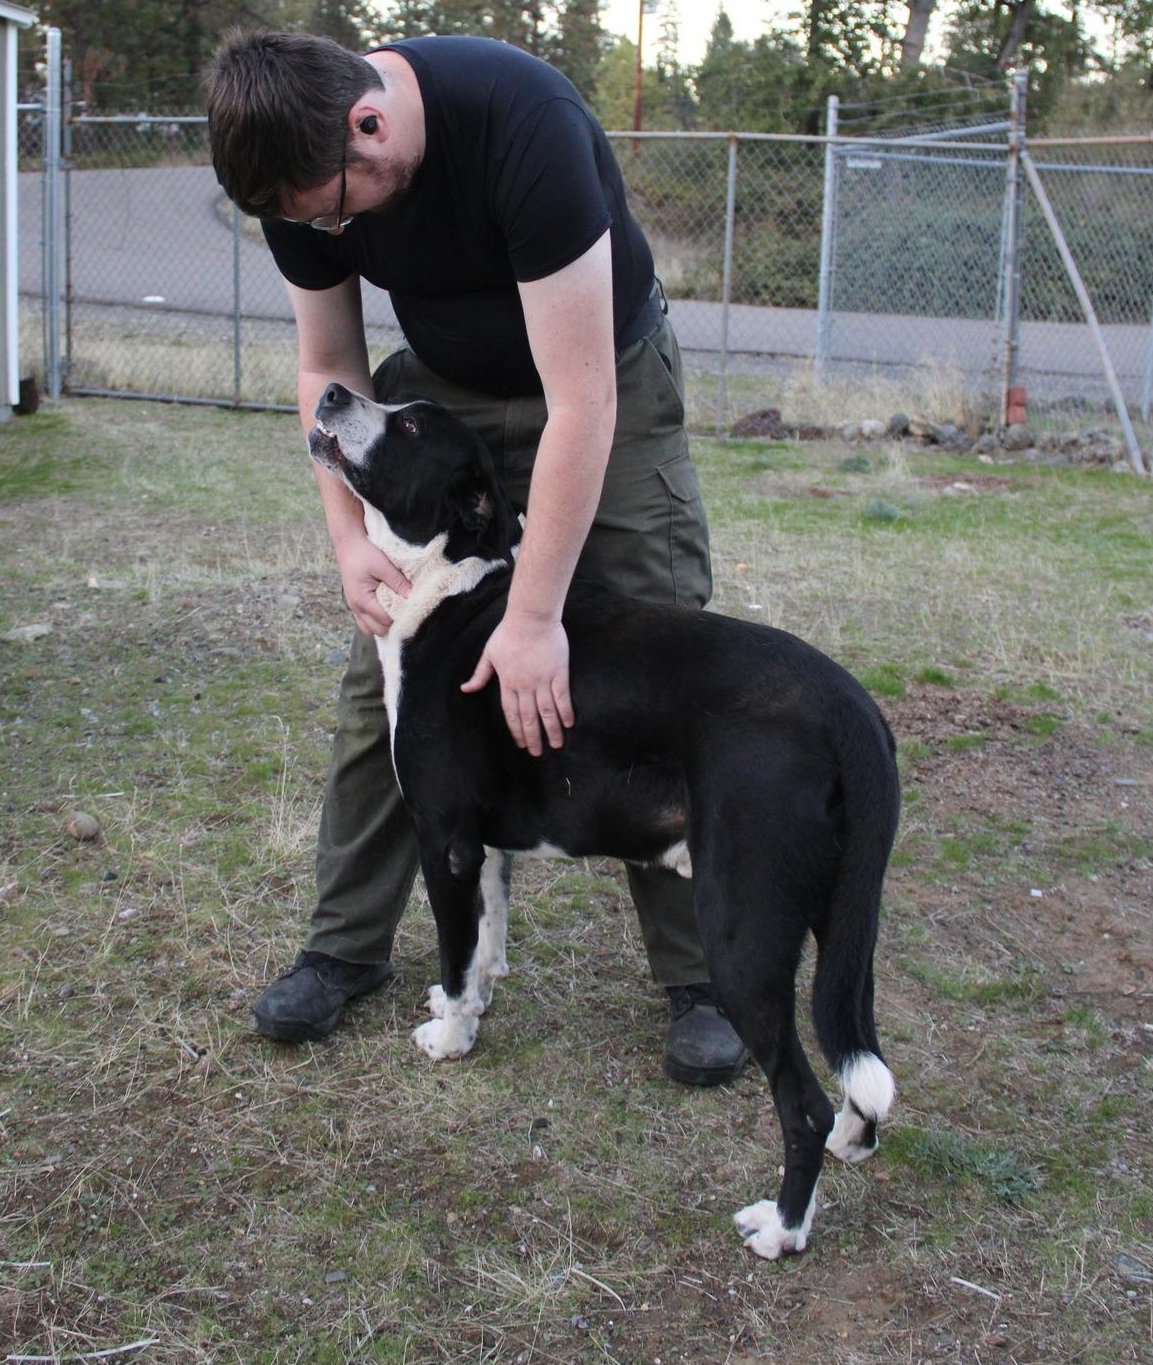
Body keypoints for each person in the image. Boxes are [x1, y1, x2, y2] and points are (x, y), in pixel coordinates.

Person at [206, 28, 746, 1086]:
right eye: (312, 221)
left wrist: (535, 616)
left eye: (339, 211)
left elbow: (581, 401)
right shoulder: (297, 172)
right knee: (396, 663)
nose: (331, 230)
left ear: (369, 125)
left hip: (598, 377)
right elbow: (327, 368)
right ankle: (345, 946)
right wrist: (349, 542)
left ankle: (701, 974)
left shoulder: (521, 123)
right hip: (440, 395)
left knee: (649, 634)